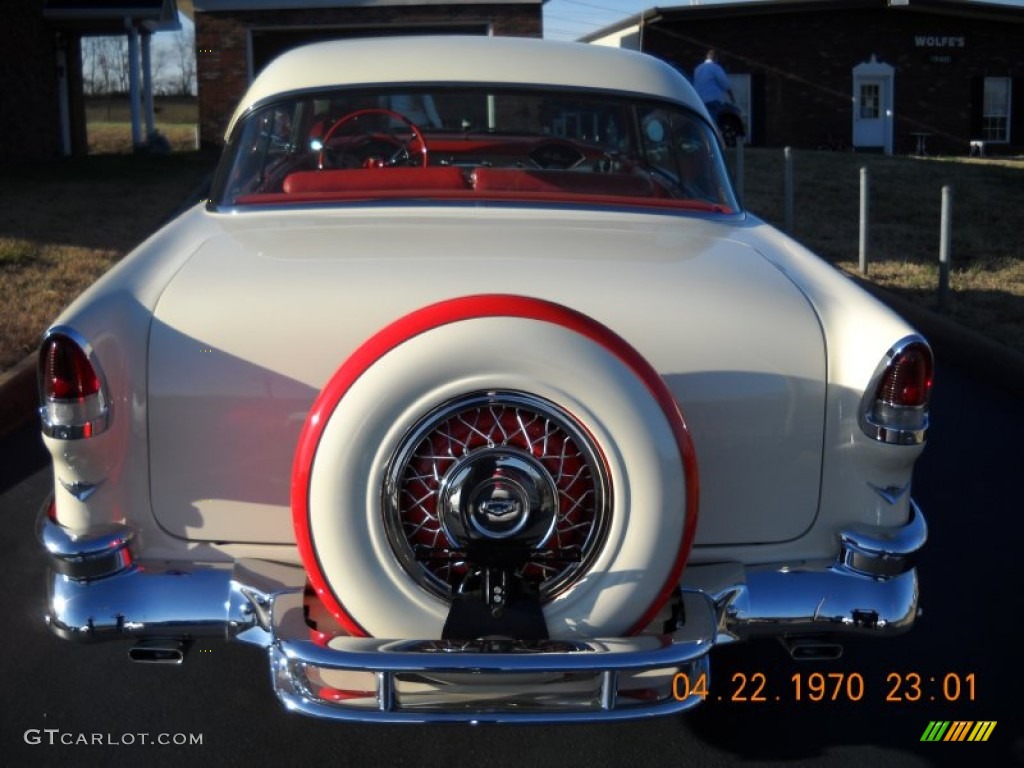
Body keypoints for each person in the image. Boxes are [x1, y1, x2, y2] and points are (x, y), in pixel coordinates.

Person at [693, 49, 734, 122]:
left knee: (703, 121)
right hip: (713, 100)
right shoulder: (715, 67)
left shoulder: (698, 68)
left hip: (699, 100)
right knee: (713, 122)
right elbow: (724, 83)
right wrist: (732, 97)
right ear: (716, 58)